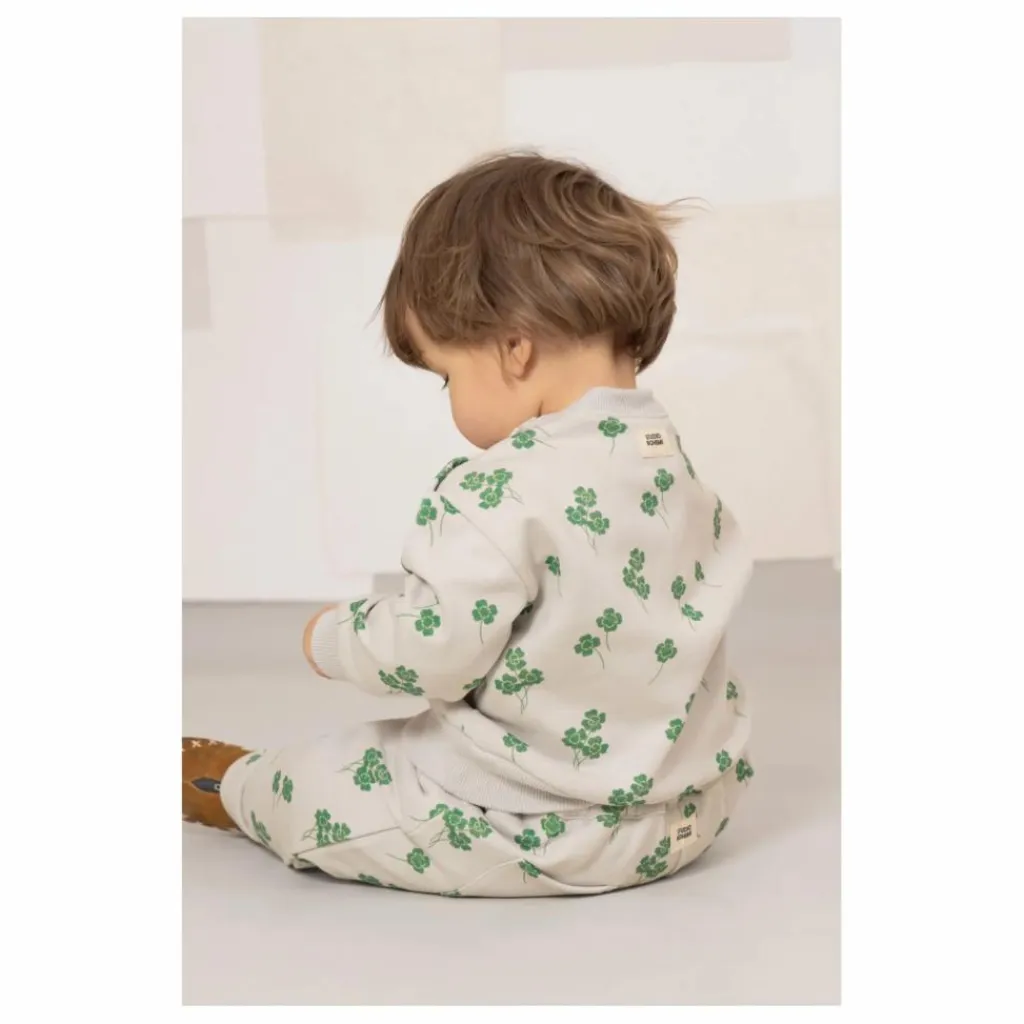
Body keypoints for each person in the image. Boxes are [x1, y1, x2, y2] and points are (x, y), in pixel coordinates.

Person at [182, 152, 754, 897]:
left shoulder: (499, 491)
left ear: (515, 348)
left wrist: (336, 637)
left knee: (325, 778)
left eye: (448, 375)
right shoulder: (669, 465)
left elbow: (436, 650)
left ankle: (239, 789)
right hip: (692, 811)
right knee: (408, 748)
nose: (450, 397)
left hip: (541, 830)